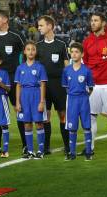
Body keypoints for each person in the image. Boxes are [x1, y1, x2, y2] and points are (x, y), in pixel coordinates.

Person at [82, 12, 107, 155]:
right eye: (91, 20)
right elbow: (86, 63)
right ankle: (89, 148)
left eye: (96, 20)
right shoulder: (87, 41)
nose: (92, 23)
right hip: (93, 86)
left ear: (103, 23)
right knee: (91, 116)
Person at [0, 9, 25, 153]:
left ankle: (25, 144)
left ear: (5, 20)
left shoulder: (16, 36)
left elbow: (27, 52)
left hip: (14, 78)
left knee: (18, 109)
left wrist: (24, 72)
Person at [36, 15, 69, 155]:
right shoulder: (38, 46)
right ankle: (46, 147)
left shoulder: (61, 45)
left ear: (50, 26)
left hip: (59, 84)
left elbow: (67, 66)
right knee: (46, 116)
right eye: (39, 25)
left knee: (63, 115)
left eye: (41, 25)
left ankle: (68, 146)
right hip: (43, 85)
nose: (39, 28)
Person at [14, 41, 47, 159]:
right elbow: (18, 86)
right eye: (28, 49)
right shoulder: (20, 68)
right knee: (27, 124)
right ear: (24, 52)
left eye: (33, 49)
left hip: (36, 95)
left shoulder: (40, 67)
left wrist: (42, 101)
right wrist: (17, 102)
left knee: (38, 123)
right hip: (24, 96)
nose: (31, 51)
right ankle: (30, 151)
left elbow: (43, 85)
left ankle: (41, 151)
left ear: (36, 51)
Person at [62, 42, 95, 161]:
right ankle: (72, 153)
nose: (74, 54)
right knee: (72, 128)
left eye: (77, 52)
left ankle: (88, 152)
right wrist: (73, 94)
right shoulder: (66, 70)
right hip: (71, 100)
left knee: (86, 126)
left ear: (82, 54)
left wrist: (84, 95)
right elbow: (66, 86)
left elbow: (90, 87)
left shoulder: (87, 70)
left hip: (83, 100)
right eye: (72, 52)